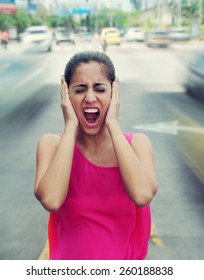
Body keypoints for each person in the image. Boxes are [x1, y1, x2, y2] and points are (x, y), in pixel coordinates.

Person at [34, 51, 157, 260]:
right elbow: (52, 200)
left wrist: (113, 126)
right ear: (66, 94)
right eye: (80, 90)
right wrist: (71, 125)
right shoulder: (51, 145)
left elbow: (142, 195)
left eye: (100, 89)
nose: (90, 98)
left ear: (114, 92)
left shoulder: (137, 144)